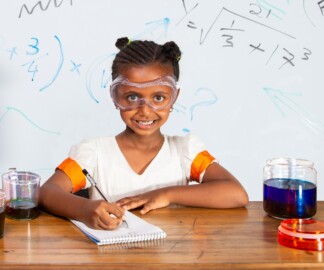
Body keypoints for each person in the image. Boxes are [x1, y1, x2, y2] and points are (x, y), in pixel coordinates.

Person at [39, 37, 248, 230]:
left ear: (174, 97)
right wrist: (84, 210)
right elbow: (47, 193)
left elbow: (237, 195)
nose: (145, 110)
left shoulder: (186, 152)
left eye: (158, 98)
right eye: (131, 97)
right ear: (115, 97)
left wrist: (166, 194)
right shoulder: (94, 153)